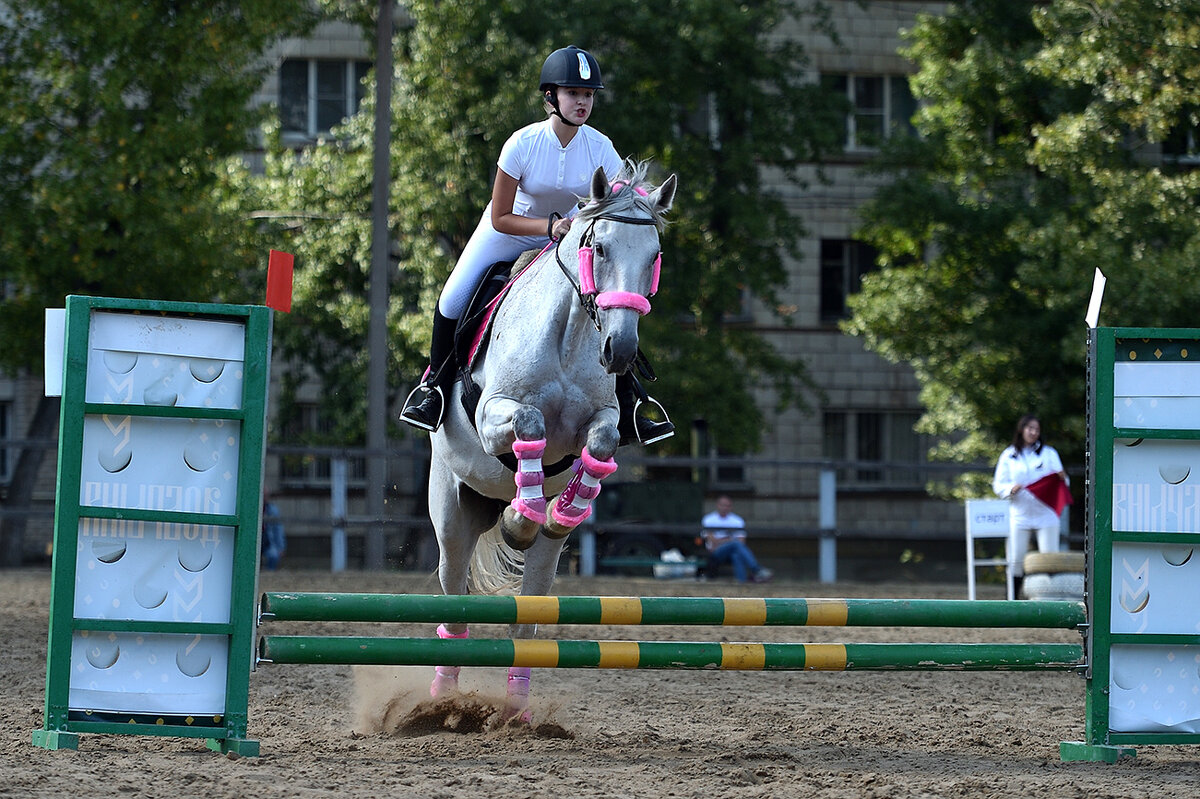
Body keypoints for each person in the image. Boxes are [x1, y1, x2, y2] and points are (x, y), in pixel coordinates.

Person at [399, 45, 673, 445]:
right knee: (452, 299)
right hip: (509, 232)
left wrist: (646, 206)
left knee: (613, 300)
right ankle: (434, 388)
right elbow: (500, 216)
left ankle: (632, 404)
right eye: (573, 93)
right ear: (551, 97)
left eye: (589, 95)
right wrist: (550, 226)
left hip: (567, 245)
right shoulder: (522, 144)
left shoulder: (601, 148)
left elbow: (622, 201)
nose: (582, 102)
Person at [992, 414, 1068, 597]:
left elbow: (1062, 481)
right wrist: (1011, 488)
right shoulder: (1009, 455)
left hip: (1046, 514)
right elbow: (998, 484)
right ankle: (1012, 598)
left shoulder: (1049, 454)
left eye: (1037, 429)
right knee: (1016, 558)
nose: (1033, 433)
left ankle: (1046, 597)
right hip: (1020, 514)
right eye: (1030, 428)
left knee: (1048, 558)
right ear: (1021, 430)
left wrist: (1061, 478)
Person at [700, 495, 772, 583]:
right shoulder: (708, 519)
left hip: (731, 552)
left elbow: (742, 541)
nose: (724, 508)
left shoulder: (737, 521)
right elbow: (713, 541)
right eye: (722, 505)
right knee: (735, 544)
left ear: (731, 507)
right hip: (716, 553)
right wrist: (730, 540)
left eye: (727, 505)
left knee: (736, 554)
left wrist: (723, 541)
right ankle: (756, 569)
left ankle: (741, 583)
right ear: (718, 505)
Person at [261, 492, 286, 571]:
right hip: (254, 540)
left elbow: (278, 530)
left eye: (266, 496)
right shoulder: (252, 509)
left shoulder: (272, 510)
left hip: (267, 541)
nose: (264, 498)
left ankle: (270, 572)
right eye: (263, 495)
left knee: (273, 555)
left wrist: (280, 547)